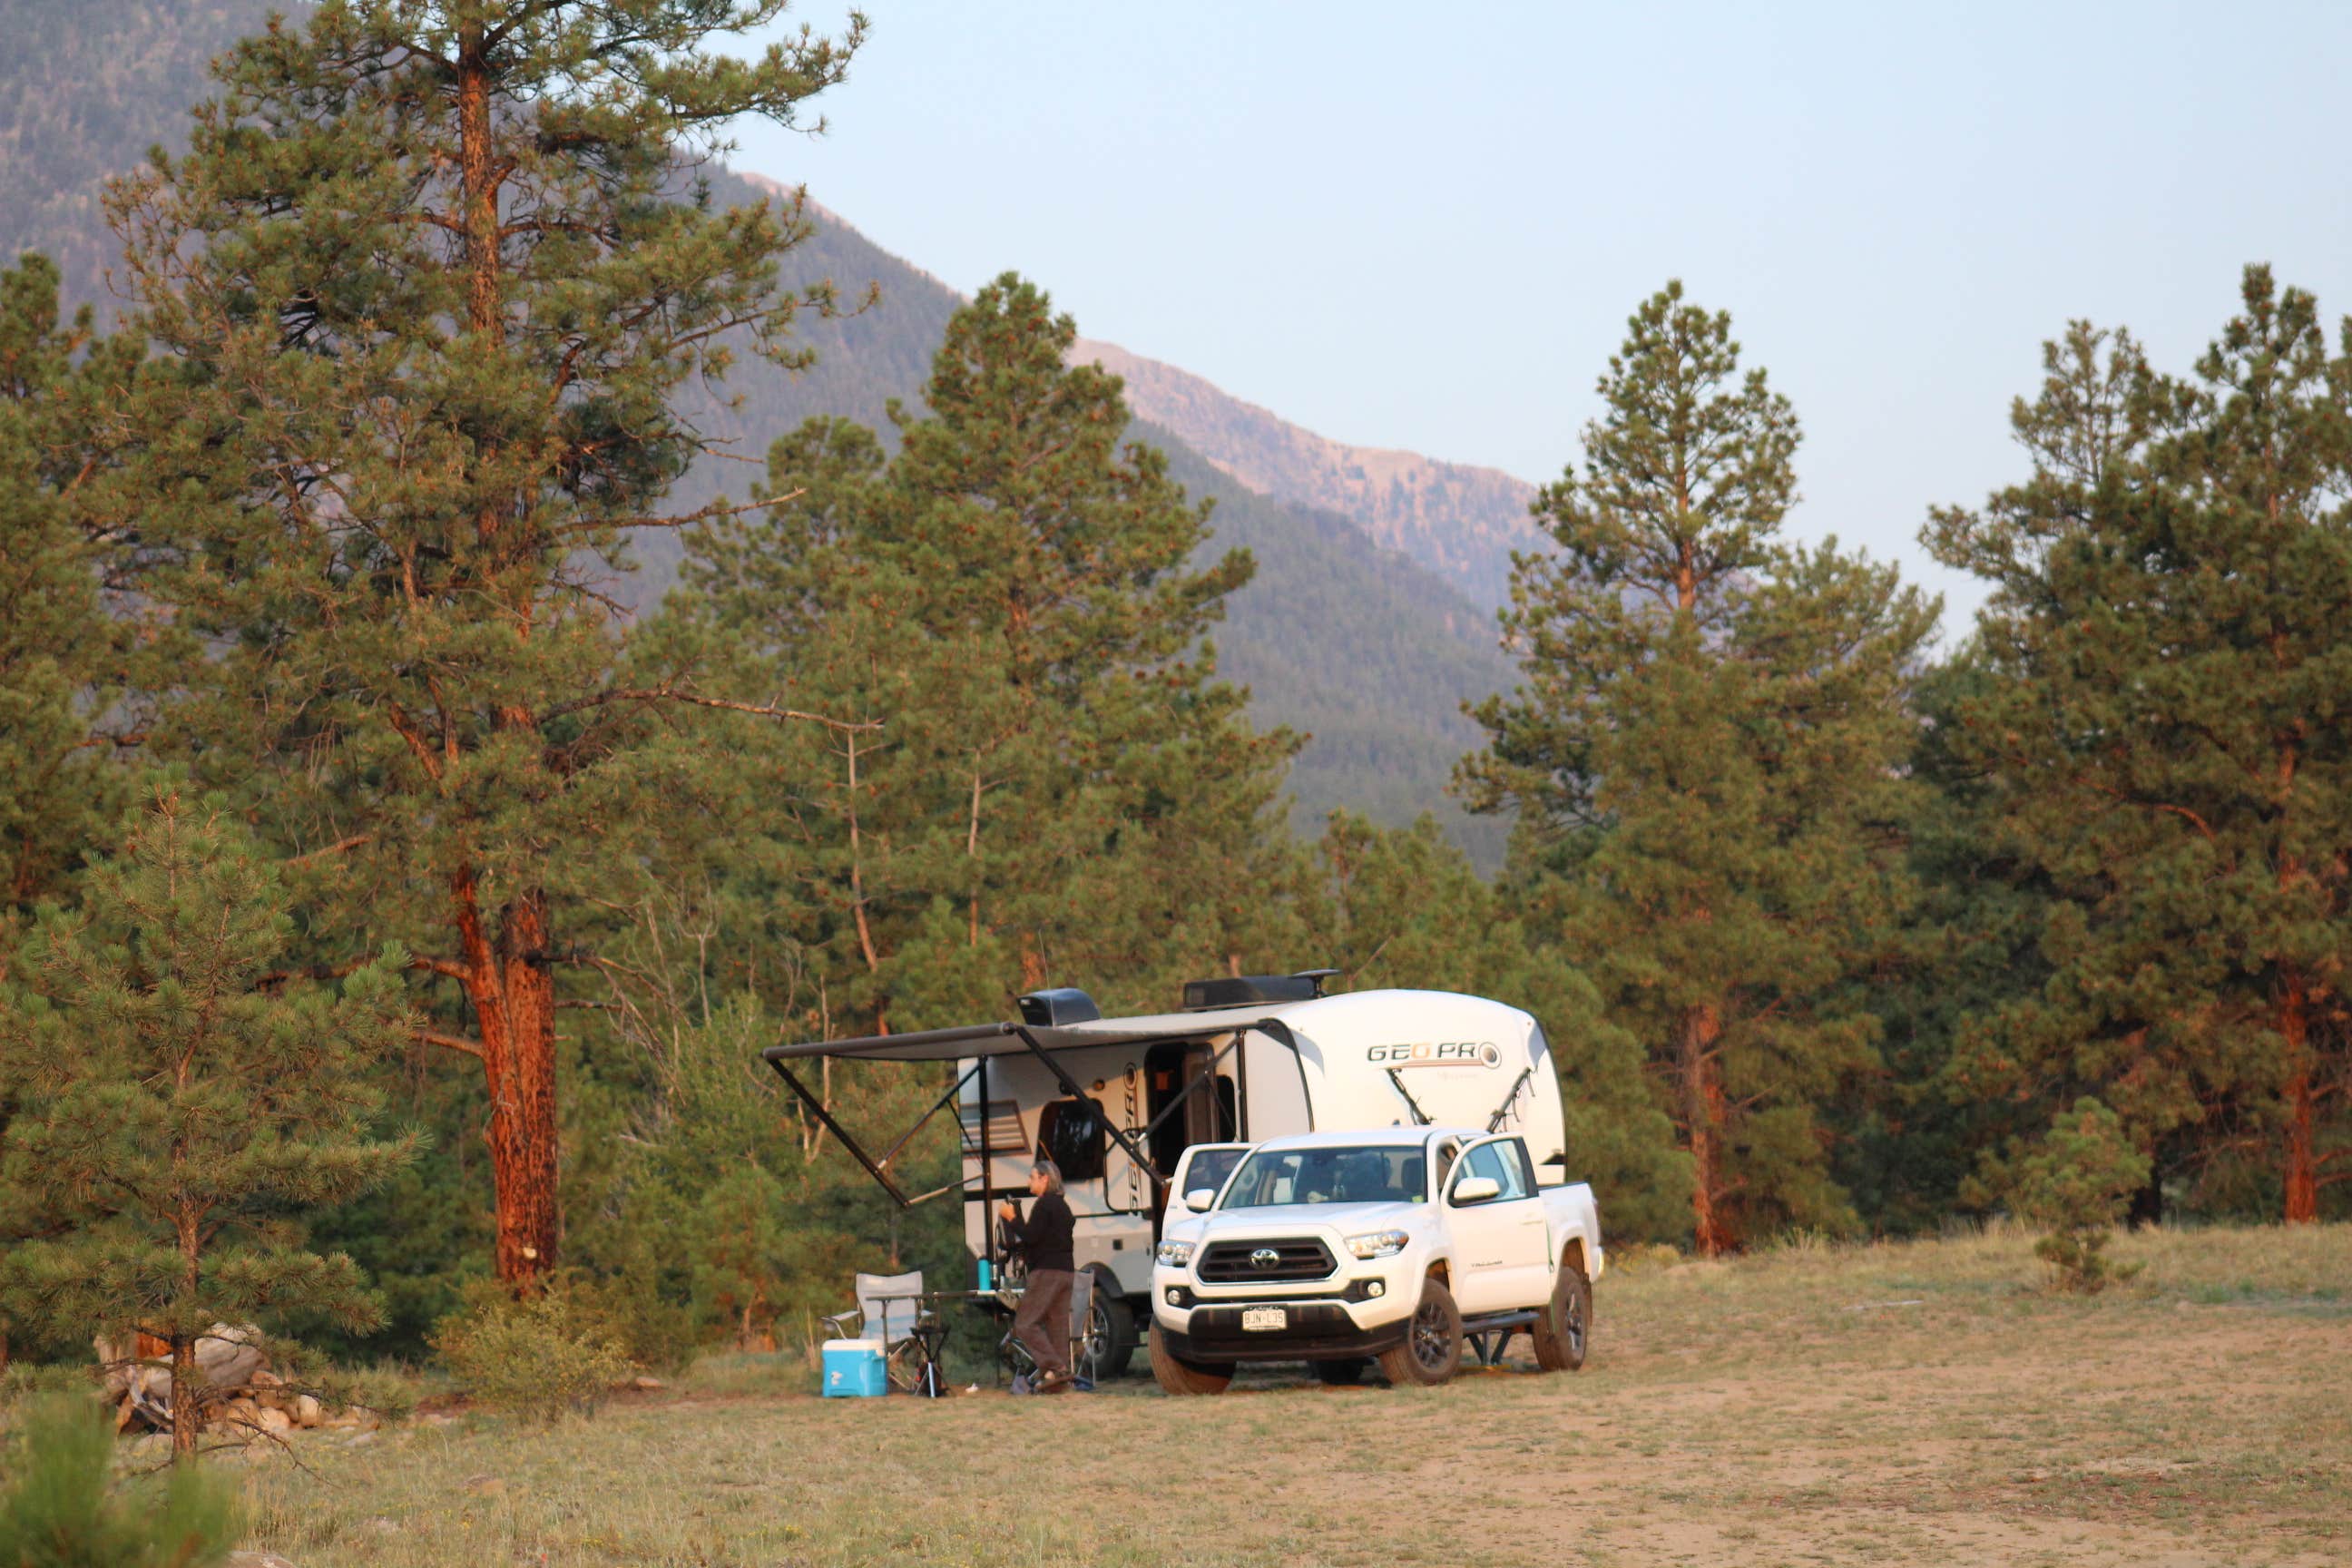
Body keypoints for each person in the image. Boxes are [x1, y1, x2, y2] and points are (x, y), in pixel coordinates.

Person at [998, 1158, 1076, 1394]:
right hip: (1066, 1271)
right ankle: (1058, 1384)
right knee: (1057, 1328)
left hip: (1047, 1272)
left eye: (1032, 1177)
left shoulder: (1043, 1205)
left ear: (1044, 1179)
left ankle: (1056, 1367)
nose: (1029, 1181)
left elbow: (1030, 1236)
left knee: (1025, 1323)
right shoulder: (1063, 1206)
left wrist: (1011, 1218)